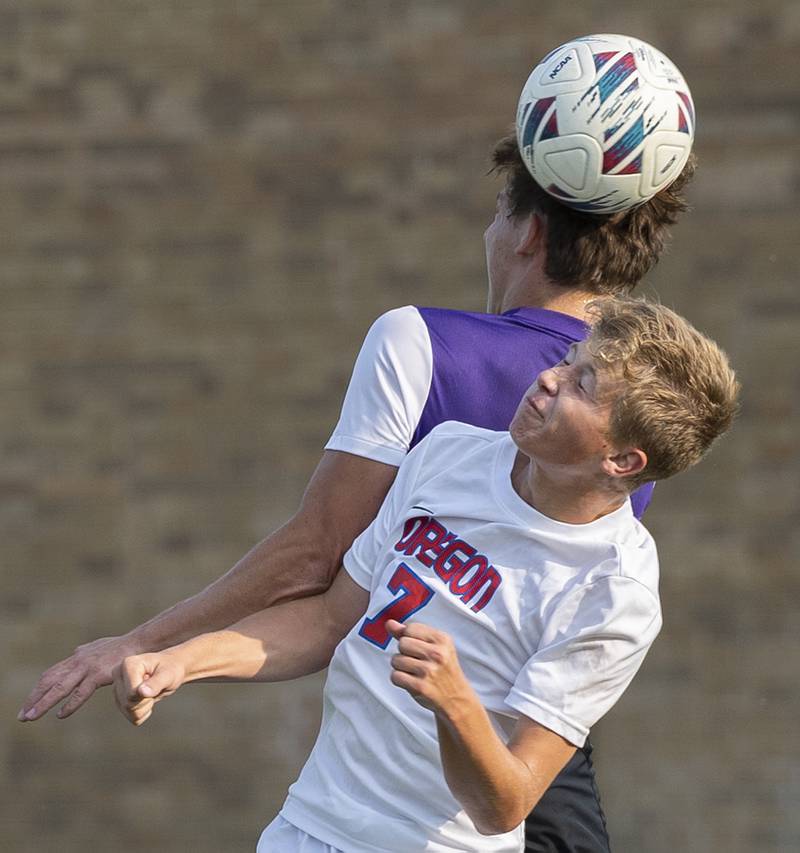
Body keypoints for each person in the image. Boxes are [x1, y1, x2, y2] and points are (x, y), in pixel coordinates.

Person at [19, 135, 697, 852]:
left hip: (480, 781)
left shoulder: (433, 348)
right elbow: (336, 607)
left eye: (500, 212)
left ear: (528, 231)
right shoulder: (497, 441)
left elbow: (316, 552)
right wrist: (183, 659)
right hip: (375, 801)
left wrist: (145, 637)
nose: (553, 381)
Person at [112, 297, 739, 853]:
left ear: (622, 459)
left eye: (581, 384)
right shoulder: (449, 452)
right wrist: (182, 661)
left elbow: (505, 808)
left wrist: (455, 703)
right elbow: (329, 619)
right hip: (307, 825)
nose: (547, 378)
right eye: (568, 359)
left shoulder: (614, 593)